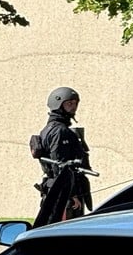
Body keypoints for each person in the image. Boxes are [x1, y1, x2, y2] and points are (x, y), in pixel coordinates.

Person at [34, 86, 92, 226]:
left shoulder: (52, 129)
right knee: (69, 233)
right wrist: (71, 196)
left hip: (59, 191)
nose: (74, 107)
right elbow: (60, 165)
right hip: (65, 195)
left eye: (75, 103)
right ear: (58, 104)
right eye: (69, 103)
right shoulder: (60, 131)